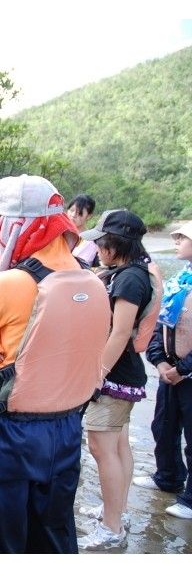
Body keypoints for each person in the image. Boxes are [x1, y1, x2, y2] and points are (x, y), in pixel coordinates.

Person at [0, 175, 111, 553]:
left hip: (12, 433)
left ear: (17, 225)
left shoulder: (12, 282)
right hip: (67, 429)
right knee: (53, 537)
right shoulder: (91, 281)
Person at [76, 209, 157, 550]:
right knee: (119, 446)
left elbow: (121, 331)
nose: (99, 249)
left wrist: (97, 376)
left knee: (101, 447)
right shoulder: (134, 273)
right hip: (126, 374)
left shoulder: (127, 280)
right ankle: (117, 511)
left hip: (114, 375)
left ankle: (111, 527)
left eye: (103, 243)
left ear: (116, 244)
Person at [139, 220, 192, 519]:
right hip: (170, 370)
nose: (176, 242)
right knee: (164, 426)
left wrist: (184, 368)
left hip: (187, 372)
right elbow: (162, 325)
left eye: (182, 238)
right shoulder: (182, 280)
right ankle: (167, 476)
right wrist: (160, 360)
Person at [66, 194, 98, 265]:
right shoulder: (59, 232)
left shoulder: (89, 242)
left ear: (89, 216)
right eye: (71, 210)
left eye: (79, 213)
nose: (73, 215)